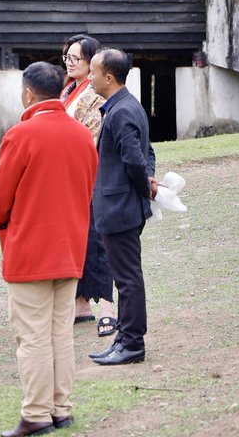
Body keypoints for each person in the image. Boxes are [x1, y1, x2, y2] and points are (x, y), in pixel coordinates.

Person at [0, 63, 98, 437]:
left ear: (28, 94)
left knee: (31, 335)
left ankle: (35, 414)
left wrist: (3, 228)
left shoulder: (21, 135)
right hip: (69, 247)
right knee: (60, 333)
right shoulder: (82, 135)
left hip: (31, 249)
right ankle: (61, 409)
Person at [87, 49, 158, 367]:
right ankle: (124, 338)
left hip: (120, 209)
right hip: (121, 205)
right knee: (125, 277)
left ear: (109, 77)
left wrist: (146, 187)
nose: (89, 77)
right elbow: (148, 152)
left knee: (128, 279)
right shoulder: (125, 106)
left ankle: (132, 343)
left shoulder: (122, 111)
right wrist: (149, 179)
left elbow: (135, 159)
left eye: (93, 72)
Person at [60, 35, 118, 337]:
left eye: (76, 59)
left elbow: (89, 136)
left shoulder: (95, 96)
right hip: (70, 179)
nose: (70, 63)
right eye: (67, 57)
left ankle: (108, 307)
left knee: (98, 242)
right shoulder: (68, 91)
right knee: (77, 241)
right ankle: (81, 304)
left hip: (92, 176)